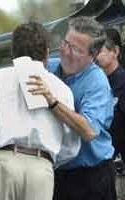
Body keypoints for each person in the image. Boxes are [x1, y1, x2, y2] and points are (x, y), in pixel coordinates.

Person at [0, 22, 80, 200]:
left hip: (0, 164)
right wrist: (46, 161)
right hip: (41, 170)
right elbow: (71, 145)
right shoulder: (62, 89)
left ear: (13, 52)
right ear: (46, 52)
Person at [37, 16, 115, 200]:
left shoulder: (97, 83)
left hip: (91, 178)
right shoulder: (49, 68)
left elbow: (89, 131)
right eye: (65, 43)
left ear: (93, 55)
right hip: (58, 175)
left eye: (76, 50)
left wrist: (53, 102)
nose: (66, 52)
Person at [96, 28, 125, 165]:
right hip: (104, 159)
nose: (96, 57)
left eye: (100, 51)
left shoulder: (122, 82)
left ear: (115, 51)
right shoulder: (95, 84)